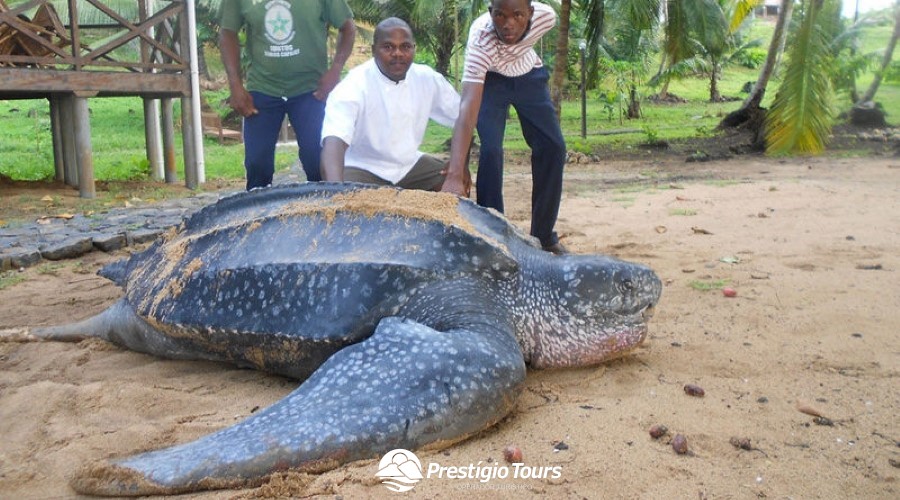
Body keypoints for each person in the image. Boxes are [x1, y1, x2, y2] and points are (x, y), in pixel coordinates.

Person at [441, 0, 568, 254]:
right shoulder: (481, 40)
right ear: (490, 13)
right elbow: (467, 108)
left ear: (530, 13)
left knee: (554, 147)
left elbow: (526, 35)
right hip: (491, 82)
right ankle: (492, 235)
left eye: (518, 16)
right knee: (491, 151)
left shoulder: (546, 18)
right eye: (500, 15)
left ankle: (544, 236)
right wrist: (455, 175)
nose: (508, 24)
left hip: (529, 76)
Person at [219, 0, 356, 190]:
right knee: (257, 165)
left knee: (317, 162)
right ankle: (259, 217)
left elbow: (347, 27)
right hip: (262, 89)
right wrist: (235, 85)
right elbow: (227, 32)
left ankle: (324, 214)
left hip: (312, 90)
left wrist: (336, 69)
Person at [320, 17, 466, 192]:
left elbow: (464, 118)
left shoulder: (427, 79)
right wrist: (336, 192)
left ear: (414, 49)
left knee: (454, 184)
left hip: (409, 167)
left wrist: (459, 166)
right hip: (363, 168)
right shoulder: (354, 85)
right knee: (353, 206)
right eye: (388, 47)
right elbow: (333, 142)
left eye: (405, 46)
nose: (398, 53)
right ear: (374, 50)